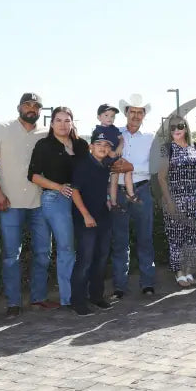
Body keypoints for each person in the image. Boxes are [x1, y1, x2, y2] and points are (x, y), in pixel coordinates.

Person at [0, 93, 52, 317]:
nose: (31, 108)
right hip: (9, 203)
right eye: (27, 104)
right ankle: (13, 303)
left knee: (43, 252)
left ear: (40, 110)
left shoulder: (46, 133)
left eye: (36, 106)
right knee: (11, 256)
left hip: (39, 203)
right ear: (19, 107)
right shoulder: (1, 128)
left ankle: (38, 298)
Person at [27, 106, 87, 308]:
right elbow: (33, 176)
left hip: (80, 198)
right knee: (66, 248)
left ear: (72, 123)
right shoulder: (44, 145)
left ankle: (80, 290)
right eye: (58, 120)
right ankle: (69, 298)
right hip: (55, 199)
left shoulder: (80, 145)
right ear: (51, 123)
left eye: (67, 120)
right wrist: (59, 187)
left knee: (83, 246)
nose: (63, 124)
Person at [110, 94, 157, 298]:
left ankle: (147, 283)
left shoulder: (151, 137)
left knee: (145, 239)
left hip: (142, 190)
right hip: (117, 192)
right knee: (120, 241)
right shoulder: (114, 133)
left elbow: (155, 165)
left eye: (140, 112)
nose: (136, 115)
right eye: (133, 111)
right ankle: (120, 286)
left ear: (144, 115)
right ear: (126, 113)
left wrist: (132, 167)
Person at [69, 132, 117, 315]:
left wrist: (108, 200)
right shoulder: (83, 165)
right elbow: (75, 192)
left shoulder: (105, 165)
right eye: (99, 144)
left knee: (101, 259)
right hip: (85, 219)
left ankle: (96, 296)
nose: (103, 147)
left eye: (106, 145)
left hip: (103, 216)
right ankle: (78, 301)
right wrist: (86, 215)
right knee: (85, 260)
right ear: (91, 146)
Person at [158, 115, 196, 288]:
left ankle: (188, 271)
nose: (176, 130)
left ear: (186, 127)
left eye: (179, 126)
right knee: (176, 237)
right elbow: (162, 178)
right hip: (175, 201)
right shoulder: (166, 149)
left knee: (192, 238)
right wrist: (169, 202)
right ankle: (179, 272)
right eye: (172, 128)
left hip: (194, 201)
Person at [95, 103, 139, 206]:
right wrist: (109, 152)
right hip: (105, 159)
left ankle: (119, 200)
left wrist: (119, 147)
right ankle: (112, 199)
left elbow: (121, 139)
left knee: (123, 174)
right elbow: (98, 146)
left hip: (115, 158)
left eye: (112, 116)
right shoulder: (98, 131)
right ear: (99, 117)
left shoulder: (114, 129)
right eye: (106, 115)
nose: (110, 118)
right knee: (104, 182)